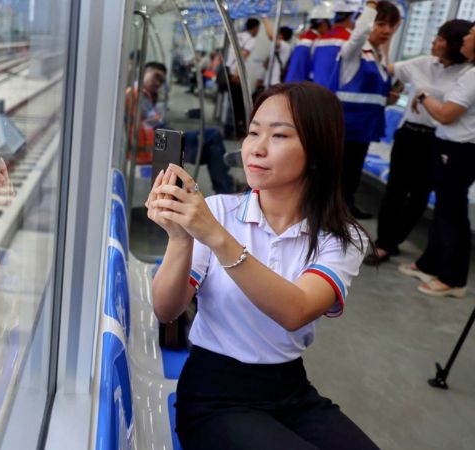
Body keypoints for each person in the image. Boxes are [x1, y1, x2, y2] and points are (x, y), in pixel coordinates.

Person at [147, 82, 374, 449]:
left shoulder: (342, 237)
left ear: (318, 152)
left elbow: (295, 310)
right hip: (214, 394)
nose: (257, 148)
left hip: (291, 391)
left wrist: (217, 237)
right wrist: (181, 238)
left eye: (280, 135)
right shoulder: (218, 210)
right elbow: (166, 309)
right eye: (253, 132)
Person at [365, 20, 472, 266]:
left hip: (437, 140)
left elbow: (449, 112)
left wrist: (423, 95)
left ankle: (394, 240)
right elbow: (388, 70)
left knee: (419, 196)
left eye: (442, 38)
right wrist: (394, 89)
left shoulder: (467, 73)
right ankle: (383, 243)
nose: (435, 42)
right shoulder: (422, 63)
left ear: (455, 44)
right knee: (395, 190)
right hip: (409, 135)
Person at [398, 23, 475, 297]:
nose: (467, 37)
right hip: (450, 146)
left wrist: (422, 94)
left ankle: (453, 279)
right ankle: (431, 263)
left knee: (452, 212)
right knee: (444, 209)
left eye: (471, 33)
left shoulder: (471, 76)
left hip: (459, 149)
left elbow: (445, 115)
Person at [335, 0, 401, 219]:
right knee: (340, 176)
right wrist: (371, 5)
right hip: (346, 126)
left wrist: (388, 99)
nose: (387, 31)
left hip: (365, 128)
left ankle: (346, 208)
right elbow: (359, 33)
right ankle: (334, 215)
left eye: (391, 26)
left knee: (352, 176)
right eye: (380, 24)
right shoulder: (355, 52)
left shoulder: (378, 56)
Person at [127, 62, 235, 194]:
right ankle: (226, 189)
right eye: (156, 76)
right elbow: (155, 122)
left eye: (161, 81)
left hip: (161, 142)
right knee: (213, 136)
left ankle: (225, 188)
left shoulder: (145, 95)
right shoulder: (136, 94)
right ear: (144, 72)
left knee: (211, 151)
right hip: (159, 147)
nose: (158, 83)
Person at [225, 18, 261, 139]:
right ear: (255, 28)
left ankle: (230, 129)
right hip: (235, 73)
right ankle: (236, 131)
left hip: (228, 70)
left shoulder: (238, 36)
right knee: (239, 105)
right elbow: (243, 56)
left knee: (232, 103)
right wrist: (237, 74)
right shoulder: (251, 40)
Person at [311, 0, 359, 89]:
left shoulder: (319, 40)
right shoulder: (351, 39)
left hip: (316, 93)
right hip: (337, 95)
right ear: (352, 17)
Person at [284, 1, 334, 83]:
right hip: (303, 85)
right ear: (323, 24)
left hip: (292, 82)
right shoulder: (317, 41)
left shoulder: (302, 38)